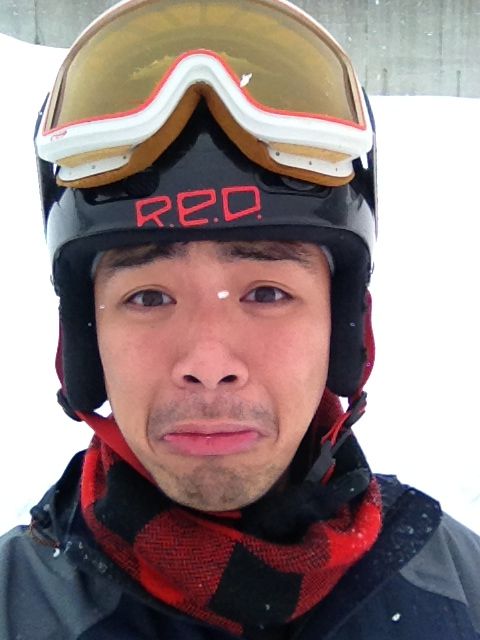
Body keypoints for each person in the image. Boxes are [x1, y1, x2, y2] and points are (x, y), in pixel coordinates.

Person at [1, 0, 479, 638]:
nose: (208, 364)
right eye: (148, 298)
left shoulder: (464, 589)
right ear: (85, 341)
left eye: (267, 293)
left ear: (344, 330)